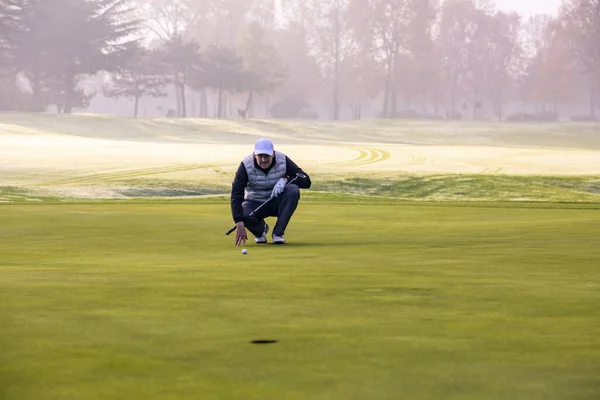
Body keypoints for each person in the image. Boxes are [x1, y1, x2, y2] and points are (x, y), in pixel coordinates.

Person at [230, 138, 311, 246]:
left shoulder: (282, 160)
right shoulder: (246, 165)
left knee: (293, 190)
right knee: (243, 213)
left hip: (277, 202)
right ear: (255, 155)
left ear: (273, 154)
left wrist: (285, 180)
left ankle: (278, 234)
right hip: (255, 202)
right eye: (260, 156)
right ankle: (260, 231)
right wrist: (239, 222)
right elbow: (236, 193)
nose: (263, 160)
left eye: (267, 156)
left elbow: (306, 180)